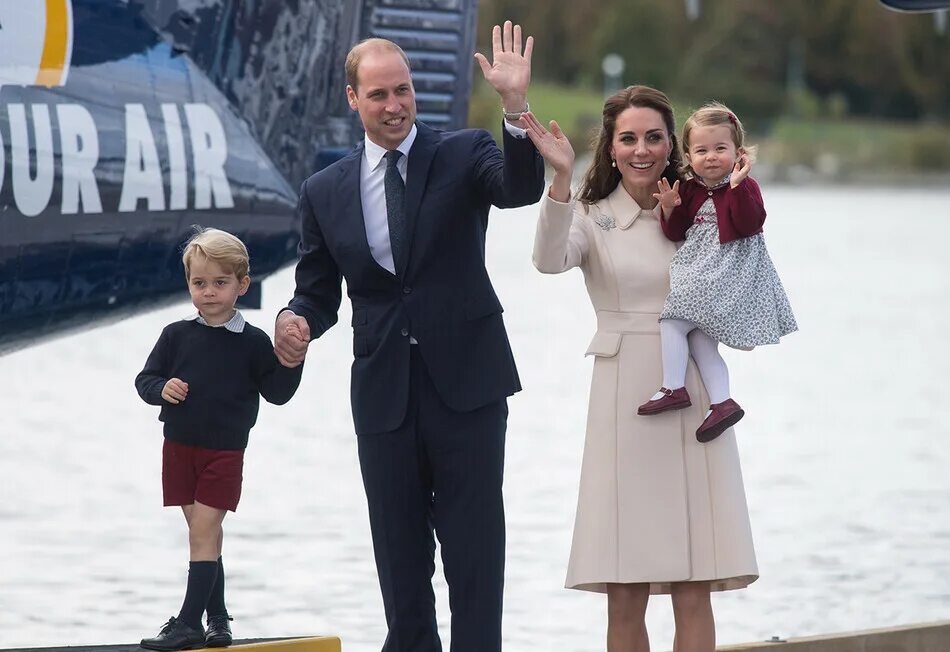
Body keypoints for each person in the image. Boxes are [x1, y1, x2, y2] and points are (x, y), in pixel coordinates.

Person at [273, 23, 544, 652]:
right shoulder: (324, 191)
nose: (394, 106)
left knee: (475, 549)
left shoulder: (464, 152)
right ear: (352, 100)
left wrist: (514, 107)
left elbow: (520, 188)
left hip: (469, 386)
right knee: (399, 553)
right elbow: (317, 291)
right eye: (378, 96)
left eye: (403, 91)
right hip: (384, 395)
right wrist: (296, 323)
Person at [525, 87, 757, 652]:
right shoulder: (590, 215)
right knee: (624, 586)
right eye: (628, 138)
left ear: (671, 143)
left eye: (654, 137)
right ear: (609, 146)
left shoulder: (702, 206)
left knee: (692, 580)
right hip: (624, 396)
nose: (642, 149)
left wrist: (739, 182)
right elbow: (548, 260)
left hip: (696, 398)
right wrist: (559, 180)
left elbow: (743, 262)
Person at [135, 228, 303, 651]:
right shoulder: (176, 334)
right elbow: (146, 379)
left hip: (224, 452)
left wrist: (294, 359)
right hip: (178, 447)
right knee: (205, 536)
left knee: (203, 533)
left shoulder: (253, 342)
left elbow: (278, 393)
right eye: (199, 283)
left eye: (220, 282)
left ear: (242, 285)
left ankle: (189, 622)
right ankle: (218, 620)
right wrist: (162, 389)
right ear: (189, 283)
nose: (209, 292)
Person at [636, 101, 797, 442]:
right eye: (701, 150)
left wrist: (737, 187)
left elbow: (751, 222)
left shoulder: (744, 186)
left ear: (738, 153)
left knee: (673, 320)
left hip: (726, 274)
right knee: (699, 340)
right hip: (703, 272)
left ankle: (673, 387)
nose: (711, 157)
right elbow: (676, 233)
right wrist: (668, 209)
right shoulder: (690, 189)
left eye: (720, 149)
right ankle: (722, 402)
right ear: (689, 155)